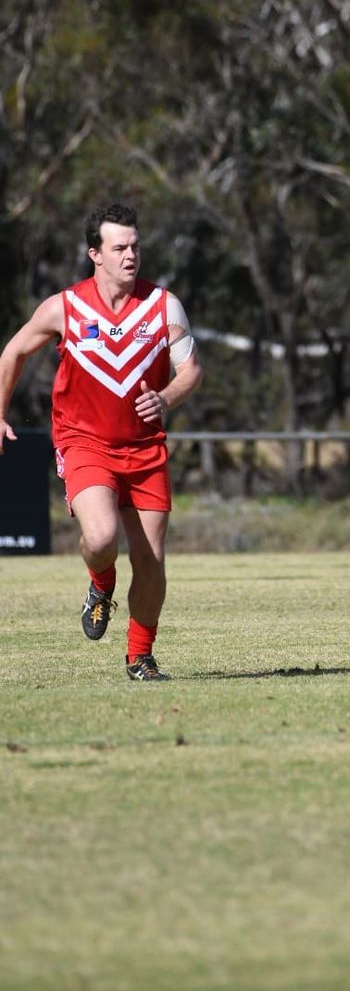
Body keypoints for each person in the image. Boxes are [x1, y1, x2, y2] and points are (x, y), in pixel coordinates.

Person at [0, 202, 203, 682]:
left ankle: (140, 657)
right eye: (120, 247)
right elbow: (13, 352)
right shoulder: (64, 308)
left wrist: (167, 397)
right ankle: (100, 582)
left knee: (151, 561)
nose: (131, 255)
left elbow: (191, 370)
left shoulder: (163, 306)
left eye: (135, 246)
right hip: (84, 442)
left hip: (145, 447)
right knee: (99, 538)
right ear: (96, 254)